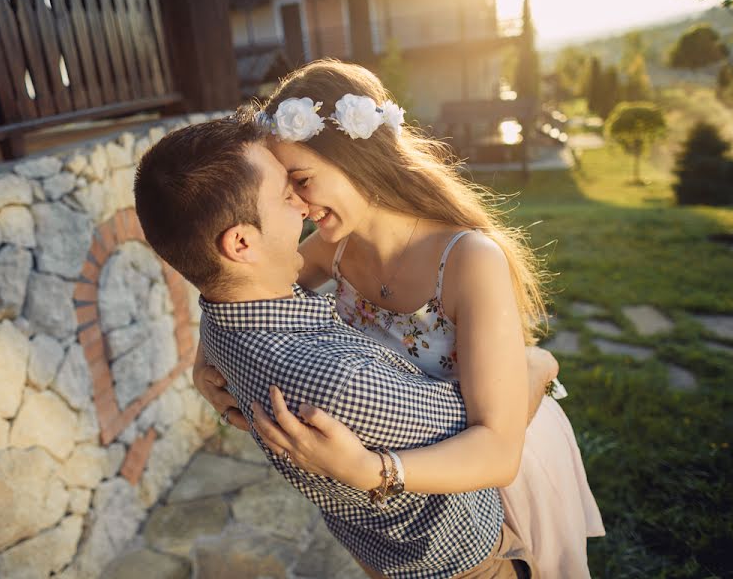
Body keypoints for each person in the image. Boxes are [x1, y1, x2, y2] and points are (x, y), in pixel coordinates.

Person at [193, 60, 605, 578]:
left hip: (487, 473)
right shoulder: (334, 246)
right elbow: (244, 288)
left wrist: (372, 471)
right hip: (399, 513)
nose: (295, 204)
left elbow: (497, 448)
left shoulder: (467, 260)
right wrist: (202, 360)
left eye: (300, 180)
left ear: (358, 159)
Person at [134, 115, 557, 578]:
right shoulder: (344, 383)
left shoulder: (224, 322)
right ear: (240, 243)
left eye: (301, 181)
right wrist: (539, 362)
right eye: (285, 192)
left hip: (376, 547)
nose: (300, 205)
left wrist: (204, 356)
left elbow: (226, 285)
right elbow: (492, 431)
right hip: (464, 560)